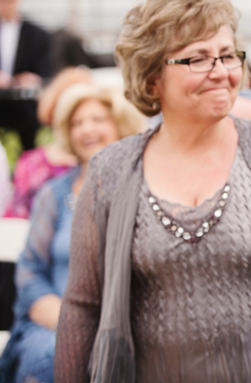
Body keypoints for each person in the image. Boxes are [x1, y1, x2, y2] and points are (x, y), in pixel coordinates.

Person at [53, 0, 251, 383]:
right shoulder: (109, 173)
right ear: (152, 78)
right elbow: (82, 305)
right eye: (198, 59)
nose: (221, 72)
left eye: (227, 55)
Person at [0, 83, 146, 383]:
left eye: (97, 119)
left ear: (120, 124)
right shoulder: (53, 195)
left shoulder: (145, 191)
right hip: (54, 324)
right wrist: (68, 321)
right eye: (77, 123)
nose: (86, 129)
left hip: (127, 326)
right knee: (57, 356)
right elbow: (30, 270)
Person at [4, 68, 92, 219]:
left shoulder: (101, 165)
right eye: (75, 119)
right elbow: (16, 217)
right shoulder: (31, 163)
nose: (86, 129)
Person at [0, 0, 53, 151]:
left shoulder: (37, 34)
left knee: (31, 121)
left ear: (18, 0)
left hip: (23, 105)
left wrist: (34, 78)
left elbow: (47, 71)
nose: (4, 5)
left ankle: (27, 161)